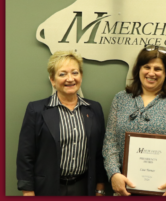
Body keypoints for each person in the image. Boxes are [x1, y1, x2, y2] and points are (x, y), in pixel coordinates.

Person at [102, 44, 166, 196]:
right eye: (147, 67)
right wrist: (114, 173)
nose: (151, 73)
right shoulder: (121, 99)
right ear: (138, 69)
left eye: (158, 69)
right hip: (125, 190)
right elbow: (110, 143)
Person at [16, 50, 107, 196]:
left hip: (83, 188)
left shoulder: (94, 109)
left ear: (81, 76)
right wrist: (27, 191)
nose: (70, 79)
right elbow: (26, 155)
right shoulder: (36, 110)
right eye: (62, 74)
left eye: (75, 73)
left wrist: (100, 188)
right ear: (52, 80)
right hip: (48, 188)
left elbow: (99, 153)